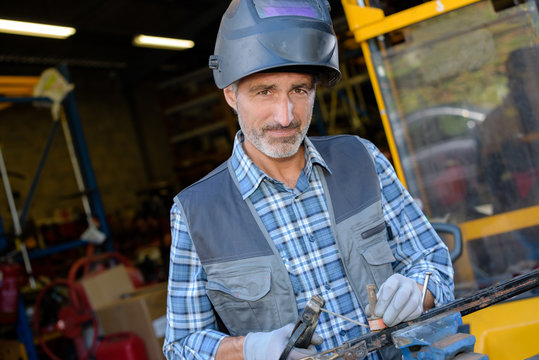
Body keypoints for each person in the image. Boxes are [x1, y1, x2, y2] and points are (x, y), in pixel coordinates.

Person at [163, 1, 454, 359]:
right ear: (230, 95)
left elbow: (431, 259)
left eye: (299, 90)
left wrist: (418, 291)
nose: (285, 116)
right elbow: (181, 344)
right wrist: (250, 349)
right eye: (264, 91)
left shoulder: (361, 159)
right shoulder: (196, 212)